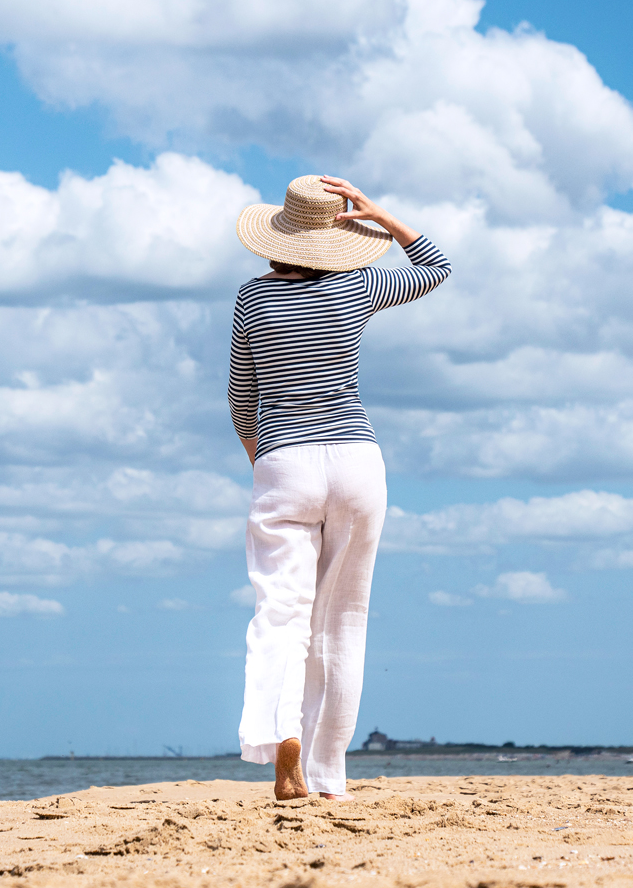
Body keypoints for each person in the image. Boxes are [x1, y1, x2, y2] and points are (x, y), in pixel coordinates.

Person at [230, 174, 451, 800]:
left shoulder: (252, 299)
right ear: (336, 237)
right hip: (356, 460)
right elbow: (435, 267)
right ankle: (328, 773)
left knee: (281, 614)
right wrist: (379, 213)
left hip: (284, 461)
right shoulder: (359, 285)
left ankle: (281, 740)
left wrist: (265, 458)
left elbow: (241, 402)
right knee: (343, 620)